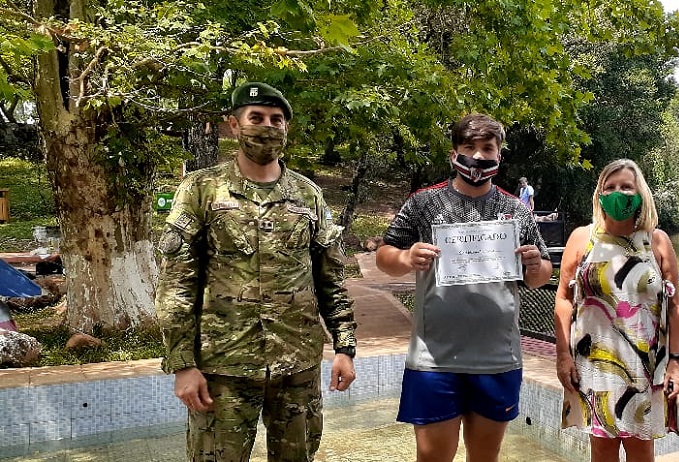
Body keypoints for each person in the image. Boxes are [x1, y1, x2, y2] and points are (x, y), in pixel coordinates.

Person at [155, 81, 358, 462]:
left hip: (296, 364)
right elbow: (176, 284)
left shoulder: (308, 195)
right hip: (223, 366)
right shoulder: (202, 189)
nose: (267, 127)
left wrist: (345, 347)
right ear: (234, 124)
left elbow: (330, 279)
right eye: (256, 117)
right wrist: (182, 365)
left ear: (286, 127)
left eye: (276, 119)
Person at [375, 113, 553, 462]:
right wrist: (406, 257)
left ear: (499, 154)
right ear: (454, 153)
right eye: (469, 147)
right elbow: (384, 255)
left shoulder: (515, 210)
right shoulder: (423, 203)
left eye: (487, 148)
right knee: (432, 458)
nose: (478, 156)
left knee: (485, 457)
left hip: (497, 358)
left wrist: (535, 265)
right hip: (434, 360)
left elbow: (541, 274)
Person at [553, 159, 679, 462]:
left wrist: (676, 363)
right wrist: (563, 356)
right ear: (599, 195)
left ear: (640, 194)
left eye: (626, 187)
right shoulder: (582, 239)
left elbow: (675, 305)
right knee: (601, 450)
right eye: (609, 187)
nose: (618, 193)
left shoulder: (656, 242)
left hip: (645, 367)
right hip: (595, 366)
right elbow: (563, 298)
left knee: (641, 450)